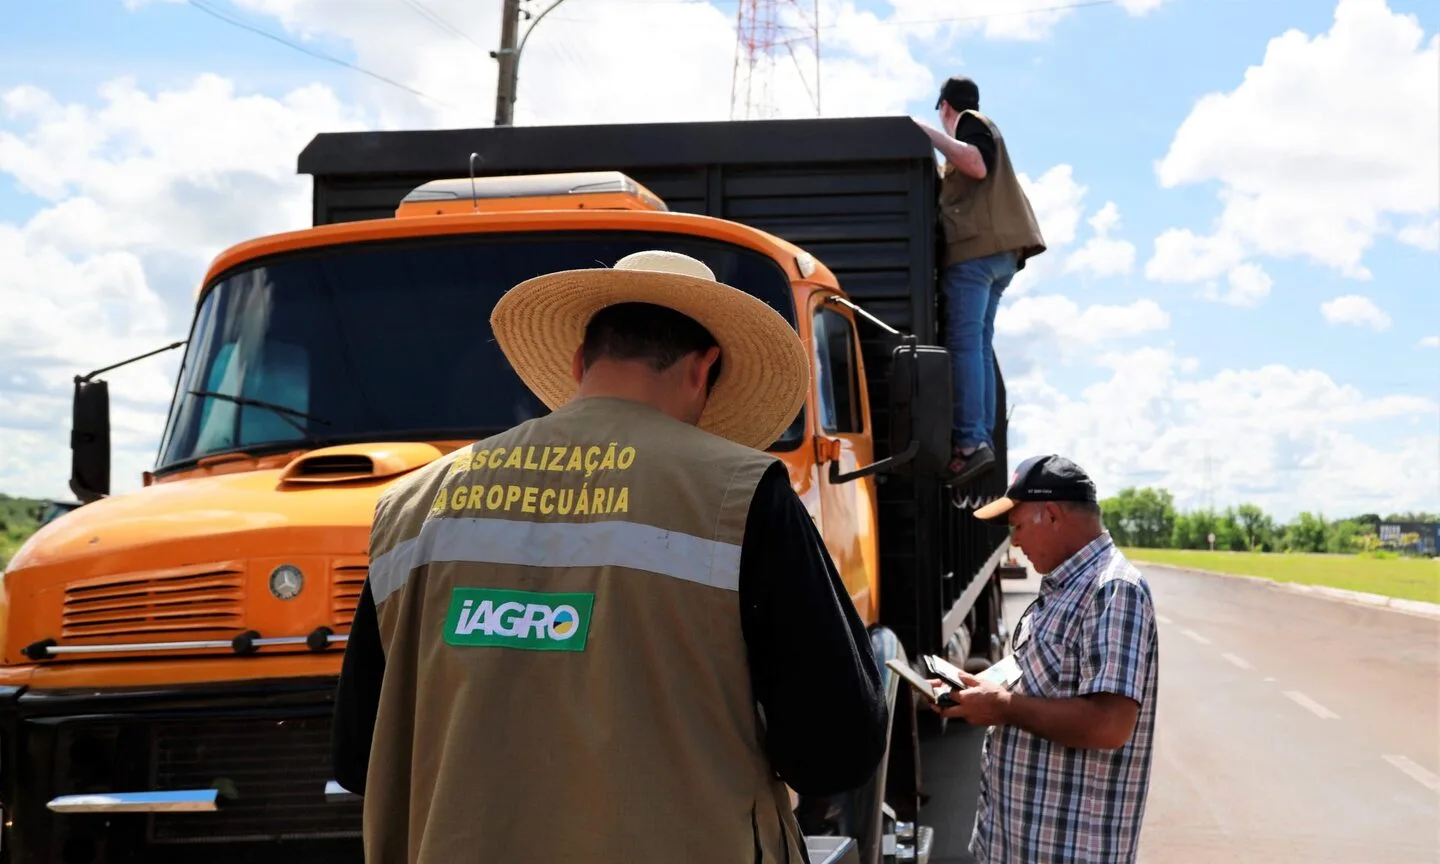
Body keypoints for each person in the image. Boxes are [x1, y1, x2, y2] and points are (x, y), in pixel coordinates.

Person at [330, 250, 889, 863]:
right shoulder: (739, 493)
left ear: (578, 364)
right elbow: (837, 748)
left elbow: (362, 757)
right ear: (705, 370)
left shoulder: (411, 506)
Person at [930, 455, 1158, 863]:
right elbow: (1036, 680)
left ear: (1051, 515)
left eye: (1017, 526)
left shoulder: (1113, 590)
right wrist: (980, 690)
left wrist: (1002, 708)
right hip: (1017, 845)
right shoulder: (1063, 588)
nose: (1014, 541)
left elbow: (1109, 725)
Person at [913, 76, 1047, 487]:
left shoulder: (971, 122)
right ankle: (979, 439)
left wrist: (925, 132)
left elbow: (975, 163)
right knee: (980, 347)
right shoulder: (981, 126)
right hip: (1001, 254)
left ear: (946, 108)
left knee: (966, 344)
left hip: (976, 254)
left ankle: (971, 443)